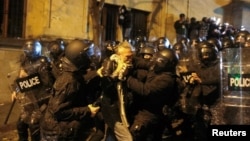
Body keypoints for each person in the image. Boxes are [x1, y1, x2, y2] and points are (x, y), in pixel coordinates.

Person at [40, 39, 100, 141]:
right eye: (88, 54)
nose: (91, 57)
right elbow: (58, 111)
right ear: (79, 58)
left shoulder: (73, 73)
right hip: (59, 132)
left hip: (59, 129)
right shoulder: (69, 80)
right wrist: (87, 110)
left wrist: (98, 74)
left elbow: (82, 83)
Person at [126, 48, 180, 141]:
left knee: (132, 136)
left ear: (169, 64)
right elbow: (140, 62)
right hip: (140, 108)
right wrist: (127, 57)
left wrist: (127, 78)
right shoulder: (158, 68)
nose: (155, 62)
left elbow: (145, 90)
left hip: (149, 114)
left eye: (160, 61)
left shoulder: (167, 79)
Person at [11, 39, 55, 141]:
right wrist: (15, 90)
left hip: (40, 100)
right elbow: (19, 79)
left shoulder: (43, 62)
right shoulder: (25, 61)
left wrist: (28, 77)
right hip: (28, 100)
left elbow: (47, 83)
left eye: (31, 48)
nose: (29, 50)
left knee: (34, 127)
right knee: (21, 125)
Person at [97, 41, 134, 141]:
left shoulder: (129, 67)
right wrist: (117, 70)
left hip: (121, 108)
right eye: (127, 57)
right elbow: (106, 86)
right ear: (119, 56)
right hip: (111, 109)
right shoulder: (110, 64)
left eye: (131, 56)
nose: (130, 59)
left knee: (110, 136)